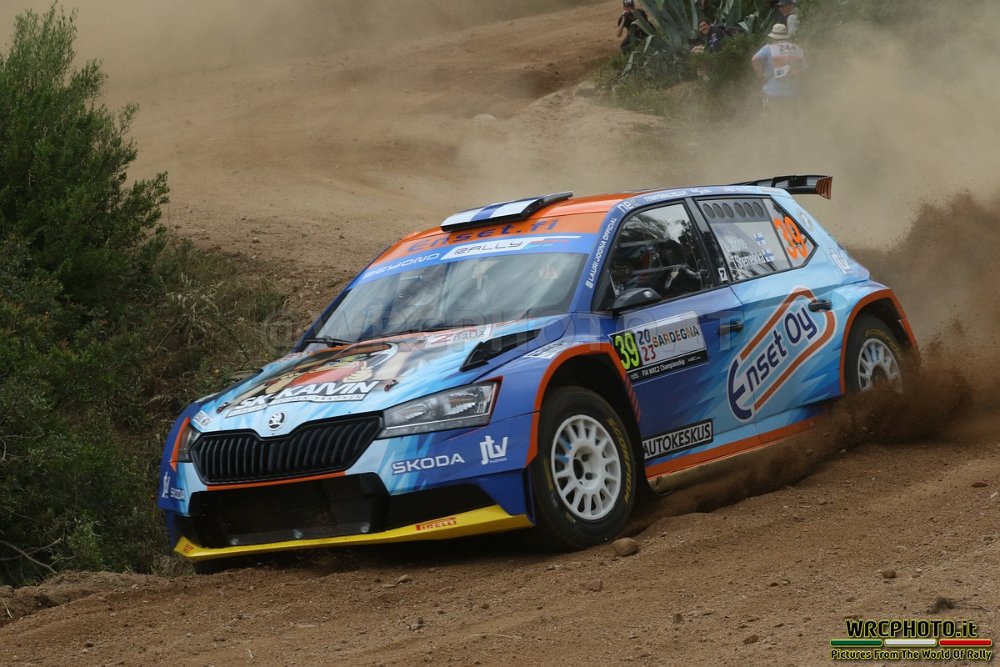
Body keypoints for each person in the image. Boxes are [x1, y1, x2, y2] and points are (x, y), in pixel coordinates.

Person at [751, 23, 806, 103]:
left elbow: (754, 59)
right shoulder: (798, 49)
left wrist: (761, 76)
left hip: (773, 92)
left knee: (774, 111)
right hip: (793, 92)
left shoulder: (768, 48)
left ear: (773, 37)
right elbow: (803, 69)